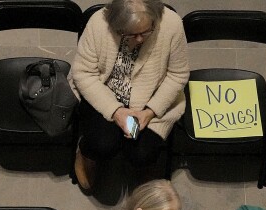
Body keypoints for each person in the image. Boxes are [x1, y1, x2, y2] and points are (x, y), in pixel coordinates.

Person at [71, 0, 189, 193]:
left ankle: (142, 167)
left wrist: (150, 112)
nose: (140, 39)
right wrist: (116, 111)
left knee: (142, 154)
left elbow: (178, 75)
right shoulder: (98, 24)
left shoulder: (172, 24)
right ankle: (85, 155)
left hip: (151, 98)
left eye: (146, 32)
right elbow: (84, 73)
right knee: (102, 145)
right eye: (132, 34)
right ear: (117, 27)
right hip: (105, 92)